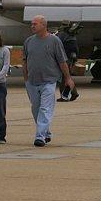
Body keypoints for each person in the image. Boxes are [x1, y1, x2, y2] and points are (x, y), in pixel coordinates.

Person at [22, 16, 72, 146]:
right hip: (32, 82)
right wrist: (26, 78)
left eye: (35, 24)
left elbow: (62, 61)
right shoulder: (28, 41)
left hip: (49, 81)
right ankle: (46, 132)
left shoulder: (54, 41)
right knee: (36, 109)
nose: (32, 26)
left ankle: (39, 137)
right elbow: (24, 60)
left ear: (44, 25)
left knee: (45, 109)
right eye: (31, 24)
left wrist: (68, 78)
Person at [57, 28, 81, 102]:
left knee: (64, 78)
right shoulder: (72, 37)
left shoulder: (62, 35)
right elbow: (76, 50)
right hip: (71, 59)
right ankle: (73, 93)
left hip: (65, 59)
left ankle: (64, 96)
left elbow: (58, 45)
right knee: (67, 76)